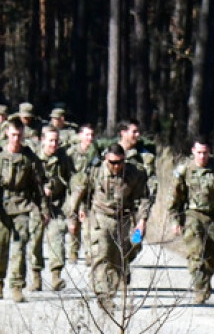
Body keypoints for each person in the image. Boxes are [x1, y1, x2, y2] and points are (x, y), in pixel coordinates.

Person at [66, 143, 151, 310]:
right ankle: (104, 296)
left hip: (124, 219)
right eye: (112, 162)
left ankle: (119, 276)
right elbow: (79, 192)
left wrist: (142, 221)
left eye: (120, 162)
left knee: (127, 250)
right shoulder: (95, 171)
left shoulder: (134, 173)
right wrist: (74, 216)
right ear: (106, 159)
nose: (117, 166)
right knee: (102, 255)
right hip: (100, 218)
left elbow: (142, 198)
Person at [0, 117, 45, 302]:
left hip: (21, 205)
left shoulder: (29, 158)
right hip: (0, 207)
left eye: (19, 135)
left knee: (20, 246)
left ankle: (17, 285)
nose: (16, 139)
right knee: (0, 246)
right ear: (7, 133)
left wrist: (43, 210)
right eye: (13, 135)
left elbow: (38, 186)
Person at [168, 138, 214, 304]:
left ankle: (205, 281)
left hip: (213, 216)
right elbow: (175, 197)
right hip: (192, 214)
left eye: (205, 153)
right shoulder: (184, 170)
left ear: (210, 152)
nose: (202, 156)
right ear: (193, 151)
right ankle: (200, 289)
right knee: (197, 252)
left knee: (213, 256)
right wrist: (174, 219)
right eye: (199, 152)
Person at [36, 125, 75, 290]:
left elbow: (72, 180)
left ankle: (56, 275)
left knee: (57, 236)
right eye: (50, 140)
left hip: (57, 204)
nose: (54, 144)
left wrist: (72, 205)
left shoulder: (64, 159)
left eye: (56, 141)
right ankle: (35, 275)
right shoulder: (34, 159)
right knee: (34, 241)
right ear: (43, 140)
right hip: (35, 205)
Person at [66, 124, 98, 263]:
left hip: (89, 192)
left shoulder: (95, 153)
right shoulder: (72, 153)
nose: (89, 138)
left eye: (92, 135)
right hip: (74, 192)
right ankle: (73, 250)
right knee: (74, 224)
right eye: (87, 135)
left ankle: (89, 253)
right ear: (80, 136)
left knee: (87, 224)